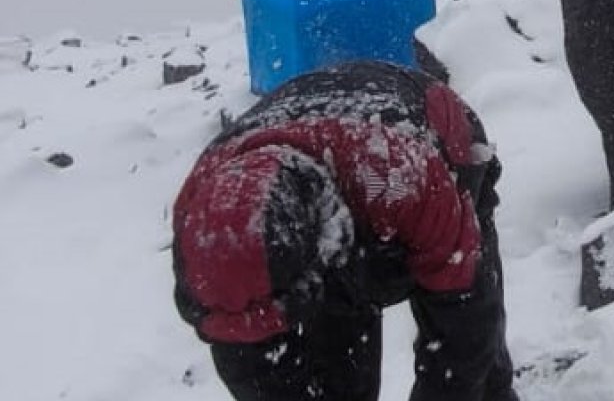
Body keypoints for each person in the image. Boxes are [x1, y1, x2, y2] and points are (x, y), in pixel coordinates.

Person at [171, 60, 518, 401]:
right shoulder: (200, 217)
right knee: (328, 362)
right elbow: (250, 366)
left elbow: (463, 320)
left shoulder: (395, 178)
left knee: (474, 373)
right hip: (322, 194)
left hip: (424, 134)